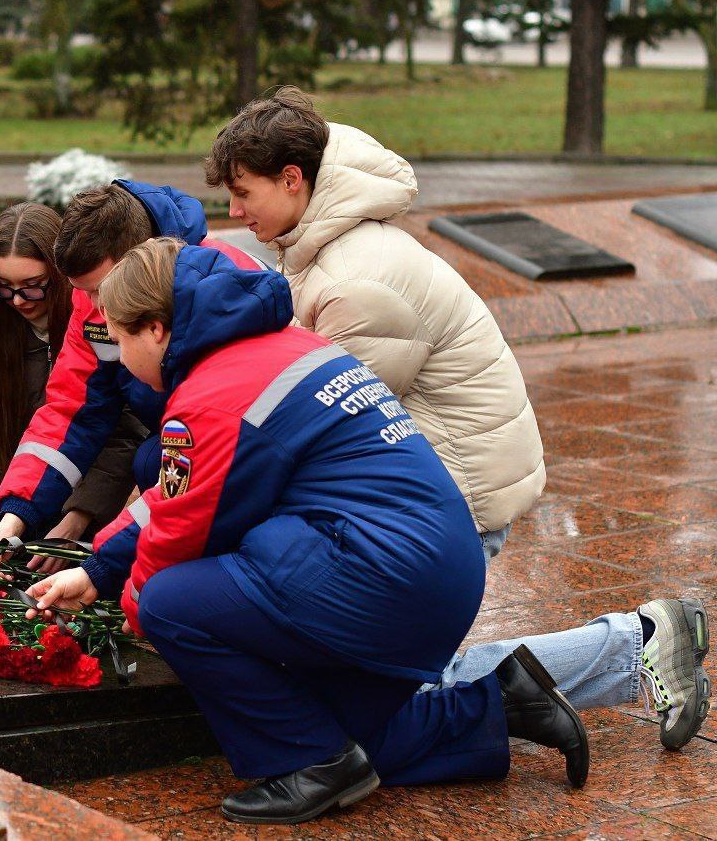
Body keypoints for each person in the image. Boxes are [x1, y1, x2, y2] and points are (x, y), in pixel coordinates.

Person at [204, 86, 710, 750]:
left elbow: (322, 428)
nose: (235, 212)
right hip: (430, 474)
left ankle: (642, 640)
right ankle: (638, 639)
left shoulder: (359, 276)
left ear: (293, 178)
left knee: (404, 692)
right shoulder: (326, 249)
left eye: (244, 193)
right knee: (379, 681)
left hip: (453, 489)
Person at [27, 239, 589, 824]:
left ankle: (317, 766)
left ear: (158, 330)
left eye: (119, 338)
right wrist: (97, 571)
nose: (117, 354)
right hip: (441, 568)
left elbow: (180, 535)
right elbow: (181, 497)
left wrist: (134, 608)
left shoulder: (210, 398)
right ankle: (501, 705)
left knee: (170, 603)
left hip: (382, 575)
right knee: (343, 733)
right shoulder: (277, 345)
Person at [0, 180, 263, 551]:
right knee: (153, 461)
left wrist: (113, 559)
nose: (96, 308)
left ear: (138, 255)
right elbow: (71, 409)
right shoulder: (97, 297)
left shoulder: (224, 283)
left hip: (247, 441)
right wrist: (14, 517)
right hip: (175, 435)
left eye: (100, 289)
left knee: (157, 468)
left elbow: (226, 433)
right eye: (83, 292)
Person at [0, 203, 147, 567]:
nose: (18, 301)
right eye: (3, 287)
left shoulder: (98, 310)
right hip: (11, 487)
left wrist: (76, 521)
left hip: (86, 488)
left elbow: (123, 424)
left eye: (33, 287)